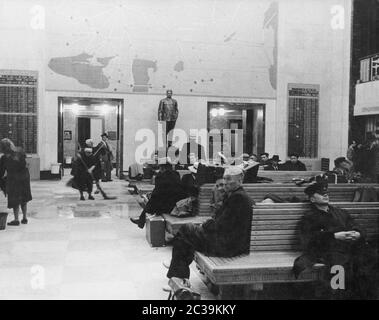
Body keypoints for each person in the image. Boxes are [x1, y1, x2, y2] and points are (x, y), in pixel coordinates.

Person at [165, 167, 253, 282]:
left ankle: (179, 272)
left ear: (240, 180)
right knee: (186, 234)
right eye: (225, 178)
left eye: (229, 179)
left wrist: (204, 226)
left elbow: (221, 225)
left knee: (186, 230)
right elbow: (223, 222)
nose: (225, 182)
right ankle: (177, 268)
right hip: (232, 243)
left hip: (227, 246)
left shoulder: (238, 198)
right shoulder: (239, 195)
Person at [293, 181, 378, 299]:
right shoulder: (309, 217)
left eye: (326, 192)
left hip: (349, 247)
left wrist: (358, 233)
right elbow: (308, 240)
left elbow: (354, 225)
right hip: (329, 250)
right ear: (312, 199)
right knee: (339, 265)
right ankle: (338, 296)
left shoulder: (340, 212)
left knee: (371, 257)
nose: (325, 195)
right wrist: (334, 236)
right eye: (321, 193)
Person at [130, 157, 186, 229]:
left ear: (162, 168)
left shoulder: (160, 176)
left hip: (164, 206)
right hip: (175, 203)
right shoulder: (176, 174)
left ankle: (141, 221)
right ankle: (141, 220)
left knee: (151, 201)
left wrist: (150, 196)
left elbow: (157, 193)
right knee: (154, 200)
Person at [0, 138, 32, 226]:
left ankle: (16, 219)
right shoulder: (20, 151)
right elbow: (25, 165)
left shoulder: (4, 158)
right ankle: (25, 218)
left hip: (13, 180)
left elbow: (1, 172)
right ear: (11, 144)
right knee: (23, 198)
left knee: (15, 199)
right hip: (24, 178)